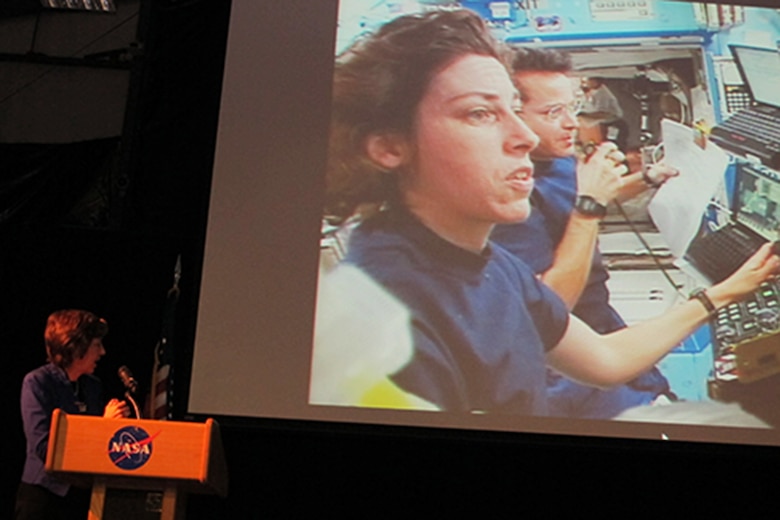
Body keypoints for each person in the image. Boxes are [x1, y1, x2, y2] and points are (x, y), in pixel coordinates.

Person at [324, 9, 779, 415]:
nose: (523, 135)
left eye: (514, 110)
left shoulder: (487, 261)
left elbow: (604, 360)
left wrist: (726, 292)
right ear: (389, 146)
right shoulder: (380, 319)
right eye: (480, 114)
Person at [490, 48, 679, 418]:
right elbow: (549, 310)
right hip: (565, 366)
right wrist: (590, 204)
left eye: (571, 107)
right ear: (509, 117)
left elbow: (581, 195)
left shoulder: (556, 158)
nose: (571, 124)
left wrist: (643, 179)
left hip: (601, 325)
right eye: (552, 113)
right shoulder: (508, 195)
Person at [16, 309, 129, 520]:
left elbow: (97, 448)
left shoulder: (92, 386)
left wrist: (113, 428)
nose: (102, 352)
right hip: (43, 497)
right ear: (77, 347)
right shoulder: (38, 383)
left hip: (82, 496)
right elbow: (45, 447)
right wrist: (102, 425)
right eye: (97, 345)